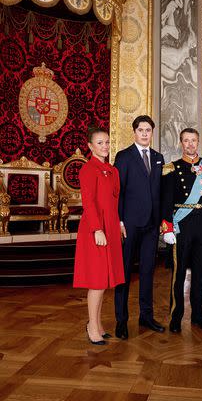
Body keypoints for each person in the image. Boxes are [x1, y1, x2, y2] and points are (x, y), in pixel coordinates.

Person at [161, 128, 202, 333]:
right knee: (178, 274)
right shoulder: (172, 168)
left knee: (199, 274)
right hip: (181, 226)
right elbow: (166, 201)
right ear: (181, 143)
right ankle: (176, 316)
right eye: (186, 141)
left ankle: (198, 315)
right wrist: (167, 228)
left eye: (193, 140)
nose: (190, 144)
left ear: (198, 142)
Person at [114, 115, 165, 340]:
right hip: (130, 224)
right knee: (124, 272)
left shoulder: (158, 157)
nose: (145, 134)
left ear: (152, 133)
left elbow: (159, 192)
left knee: (147, 272)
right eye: (141, 130)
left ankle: (146, 316)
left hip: (151, 226)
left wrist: (162, 221)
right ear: (134, 132)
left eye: (148, 130)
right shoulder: (123, 157)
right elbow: (118, 192)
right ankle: (121, 321)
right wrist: (120, 221)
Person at [73, 126, 124, 345]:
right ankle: (92, 326)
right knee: (96, 281)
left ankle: (99, 323)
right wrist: (97, 229)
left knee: (104, 280)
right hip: (96, 230)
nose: (104, 146)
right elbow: (89, 203)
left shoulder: (112, 170)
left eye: (106, 142)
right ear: (90, 146)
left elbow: (115, 201)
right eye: (100, 143)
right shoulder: (88, 170)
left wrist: (119, 223)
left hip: (111, 227)